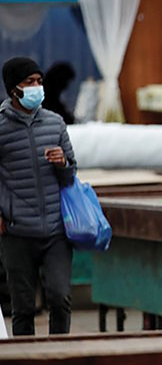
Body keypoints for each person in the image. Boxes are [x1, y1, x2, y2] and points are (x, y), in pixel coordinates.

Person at [0, 57, 77, 336]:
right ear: (13, 89)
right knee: (22, 307)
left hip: (56, 230)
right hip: (17, 231)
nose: (36, 87)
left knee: (60, 297)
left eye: (39, 81)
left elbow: (71, 174)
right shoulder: (1, 128)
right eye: (29, 82)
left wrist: (63, 164)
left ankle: (60, 355)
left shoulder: (55, 123)